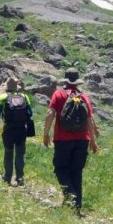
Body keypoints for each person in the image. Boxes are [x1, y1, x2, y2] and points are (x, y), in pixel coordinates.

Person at [44, 70, 99, 214]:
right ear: (77, 82)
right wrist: (93, 141)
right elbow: (89, 120)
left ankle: (71, 198)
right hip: (82, 140)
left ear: (65, 81)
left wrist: (46, 134)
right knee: (76, 172)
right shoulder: (84, 97)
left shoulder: (59, 94)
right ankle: (76, 207)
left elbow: (50, 114)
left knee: (61, 169)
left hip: (62, 140)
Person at [0, 78, 33, 187]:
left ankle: (7, 177)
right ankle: (19, 177)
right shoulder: (25, 97)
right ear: (16, 87)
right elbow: (30, 113)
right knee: (20, 153)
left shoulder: (2, 97)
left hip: (8, 129)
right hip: (21, 130)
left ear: (6, 87)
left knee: (8, 152)